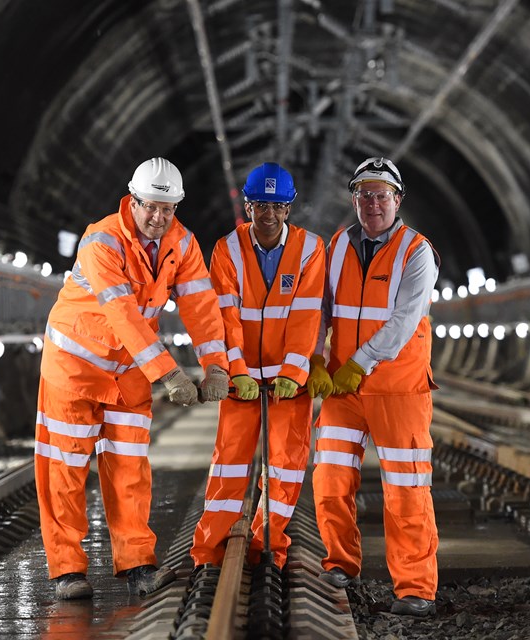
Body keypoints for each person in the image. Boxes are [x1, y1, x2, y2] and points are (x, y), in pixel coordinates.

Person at [35, 157, 229, 600]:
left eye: (169, 209)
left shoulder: (182, 242)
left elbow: (200, 304)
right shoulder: (102, 241)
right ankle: (67, 570)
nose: (159, 218)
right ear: (133, 200)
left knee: (130, 469)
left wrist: (216, 363)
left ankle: (138, 565)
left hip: (127, 373)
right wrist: (170, 373)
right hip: (75, 368)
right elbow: (122, 314)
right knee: (64, 469)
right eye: (151, 207)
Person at [307, 157, 440, 617]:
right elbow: (319, 307)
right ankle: (340, 563)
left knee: (406, 490)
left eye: (382, 195)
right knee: (329, 477)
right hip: (344, 389)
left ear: (397, 200)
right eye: (364, 195)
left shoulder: (417, 252)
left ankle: (415, 588)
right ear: (354, 200)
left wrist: (358, 363)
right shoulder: (339, 245)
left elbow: (403, 322)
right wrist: (316, 356)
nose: (373, 203)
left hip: (397, 390)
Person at [190, 162, 326, 571]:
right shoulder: (226, 250)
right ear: (247, 206)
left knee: (285, 467)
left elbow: (307, 317)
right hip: (243, 380)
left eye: (278, 206)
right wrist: (237, 370)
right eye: (261, 205)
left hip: (288, 383)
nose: (269, 215)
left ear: (289, 209)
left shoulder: (310, 249)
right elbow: (223, 317)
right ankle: (208, 554)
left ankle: (269, 548)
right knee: (229, 463)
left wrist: (293, 372)